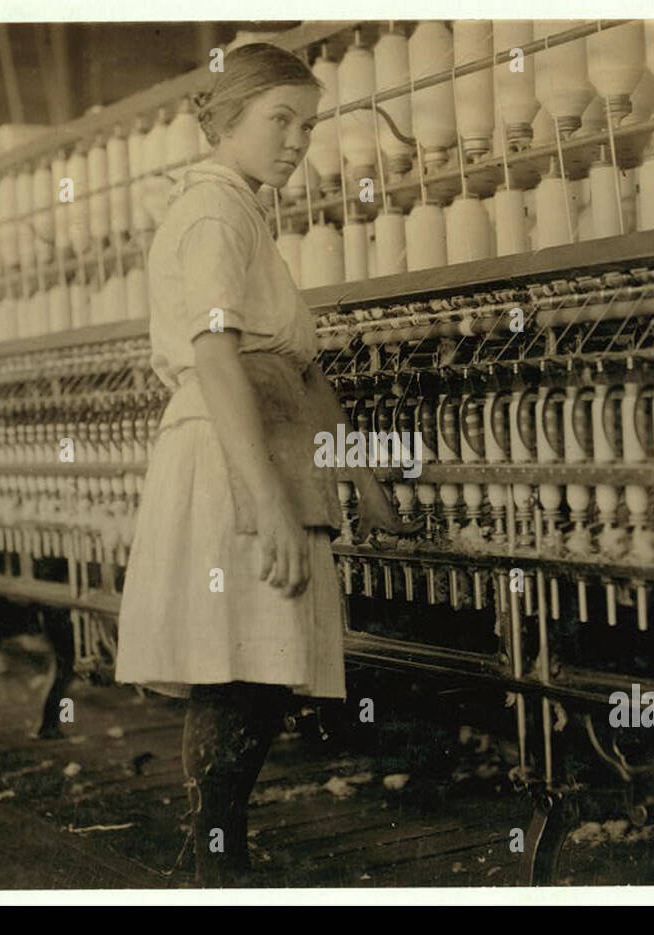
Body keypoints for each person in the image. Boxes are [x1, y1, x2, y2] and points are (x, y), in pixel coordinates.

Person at [115, 43, 417, 887]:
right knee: (237, 667)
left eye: (308, 126)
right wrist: (268, 505)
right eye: (279, 120)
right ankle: (218, 865)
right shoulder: (213, 213)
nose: (296, 141)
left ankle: (220, 857)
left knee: (259, 669)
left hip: (264, 443)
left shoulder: (243, 214)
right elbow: (218, 361)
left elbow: (302, 371)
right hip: (230, 450)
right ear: (226, 118)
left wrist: (362, 480)